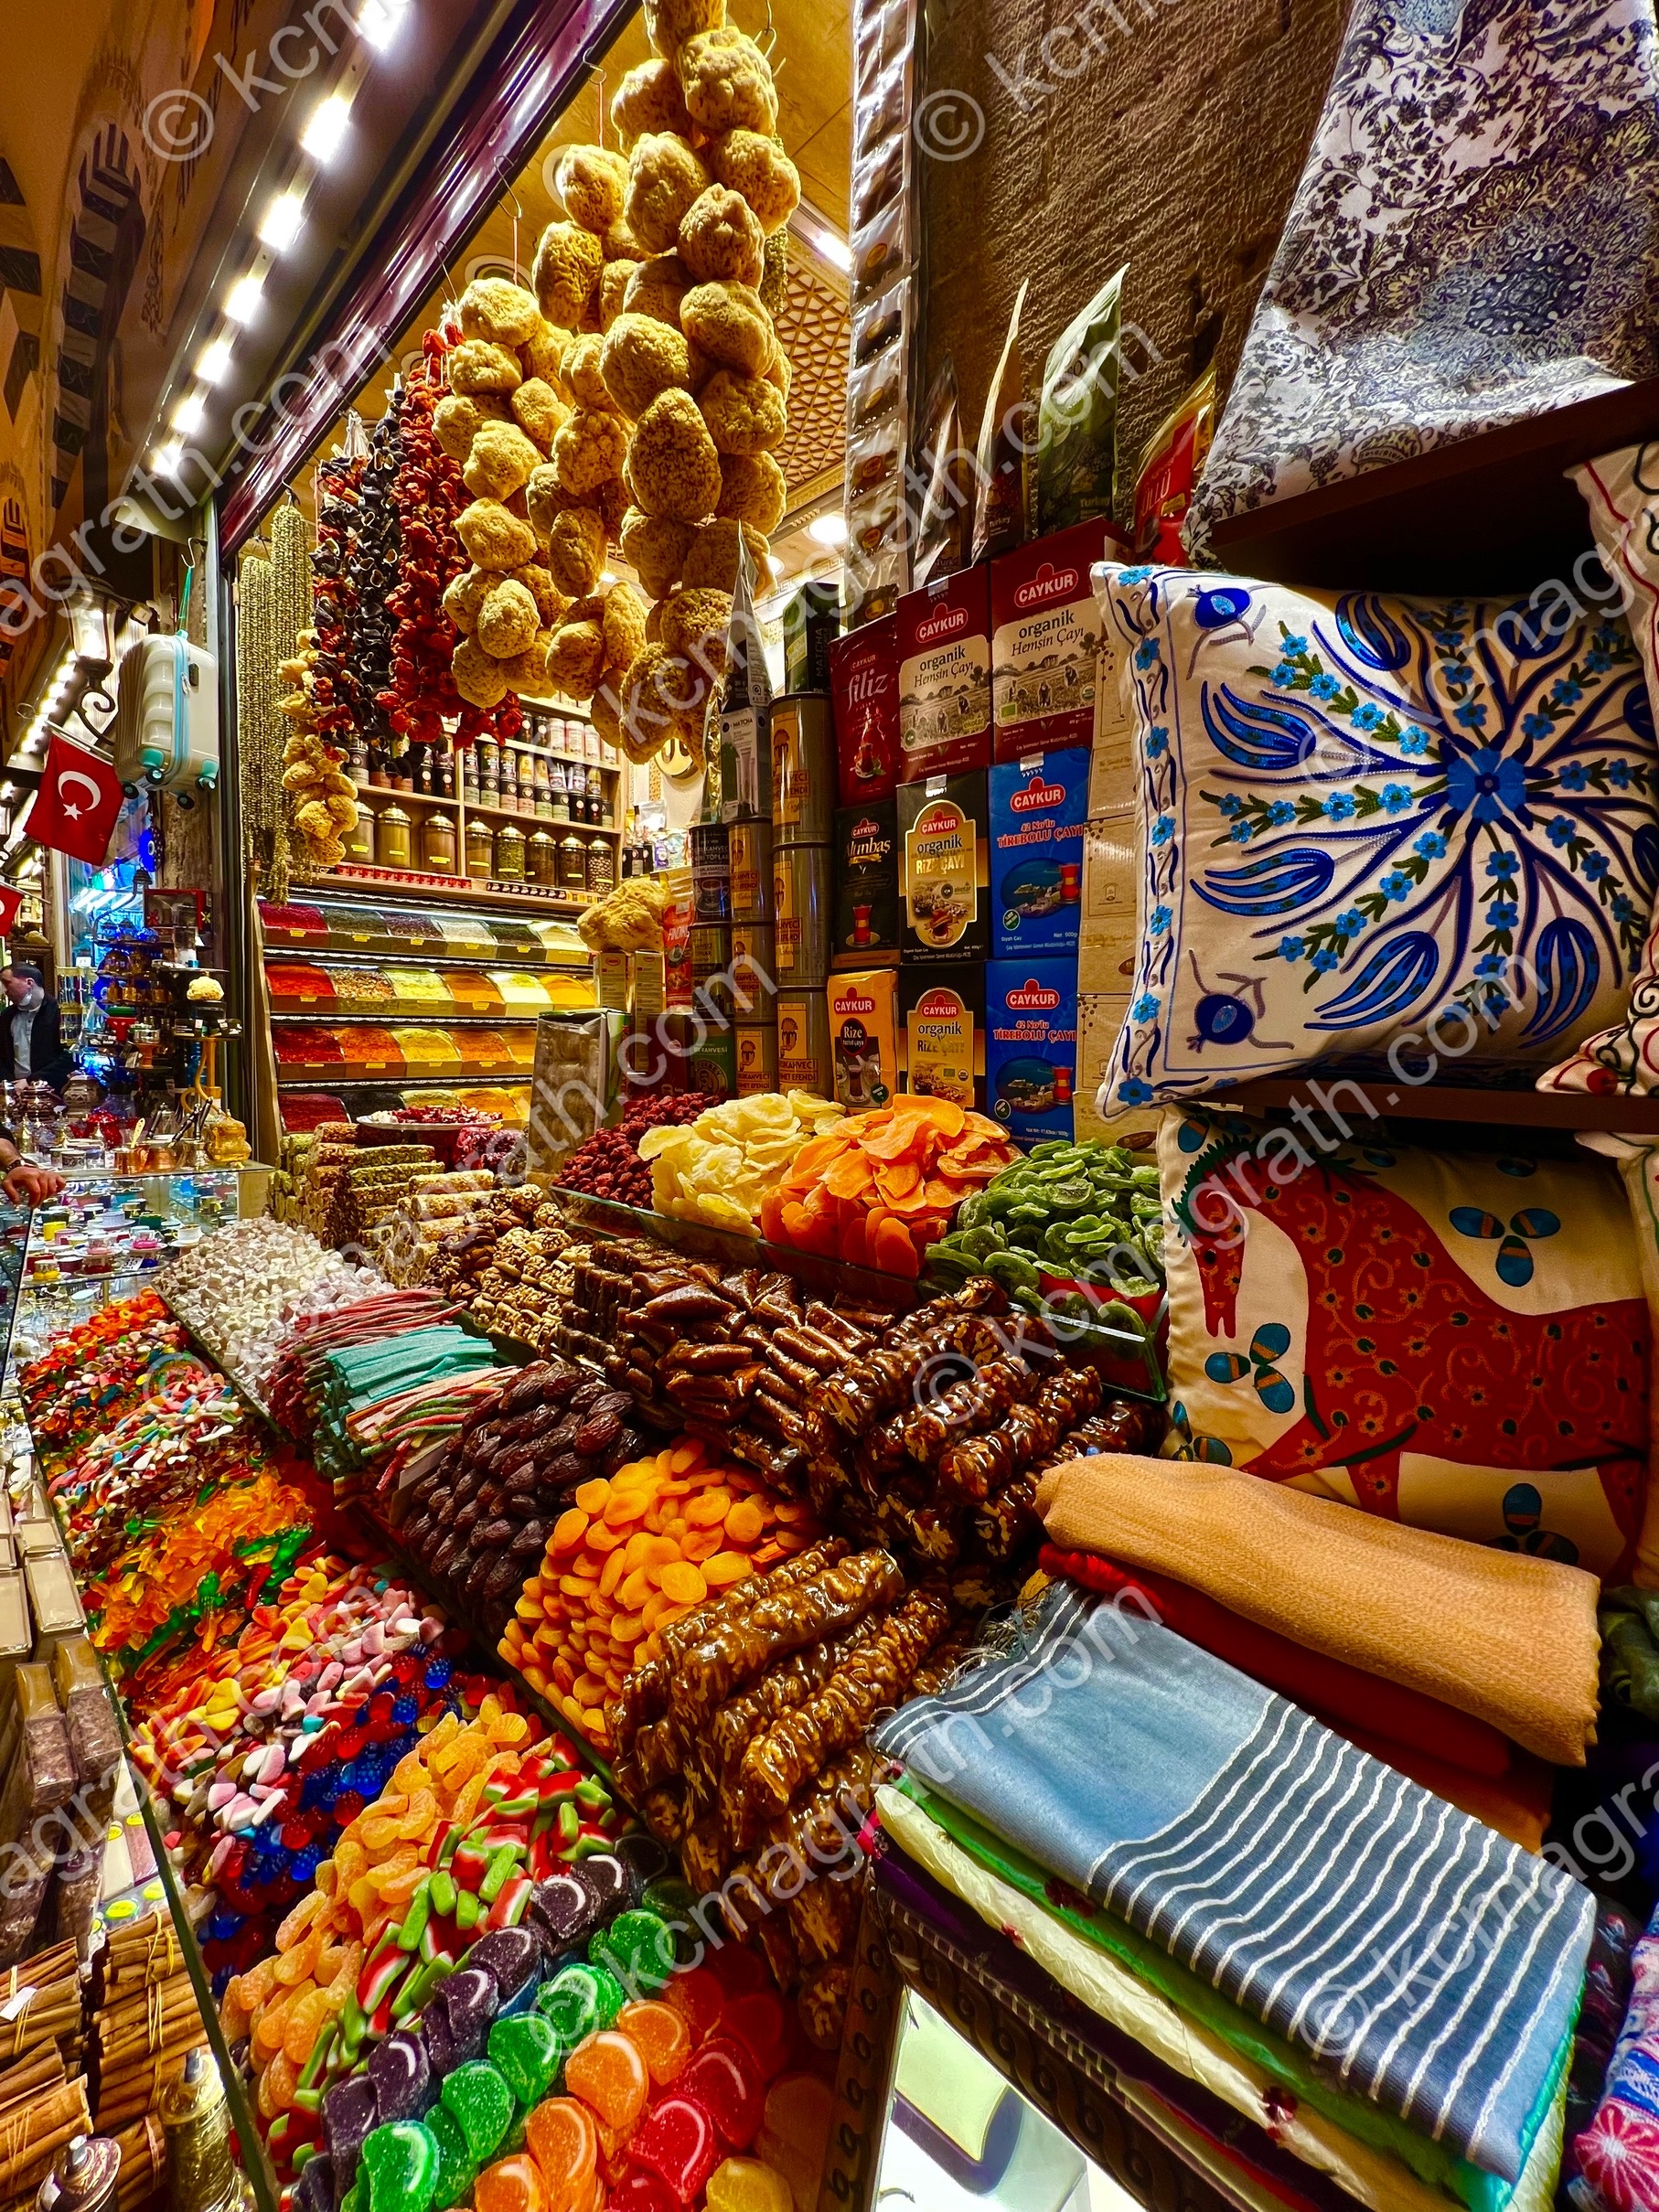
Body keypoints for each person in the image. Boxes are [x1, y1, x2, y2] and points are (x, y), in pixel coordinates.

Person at [0, 966, 72, 1091]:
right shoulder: (7, 1015)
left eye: (7, 983)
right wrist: (9, 1084)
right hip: (14, 1090)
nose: (4, 990)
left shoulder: (60, 1012)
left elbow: (69, 1056)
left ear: (29, 983)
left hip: (53, 1091)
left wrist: (31, 1080)